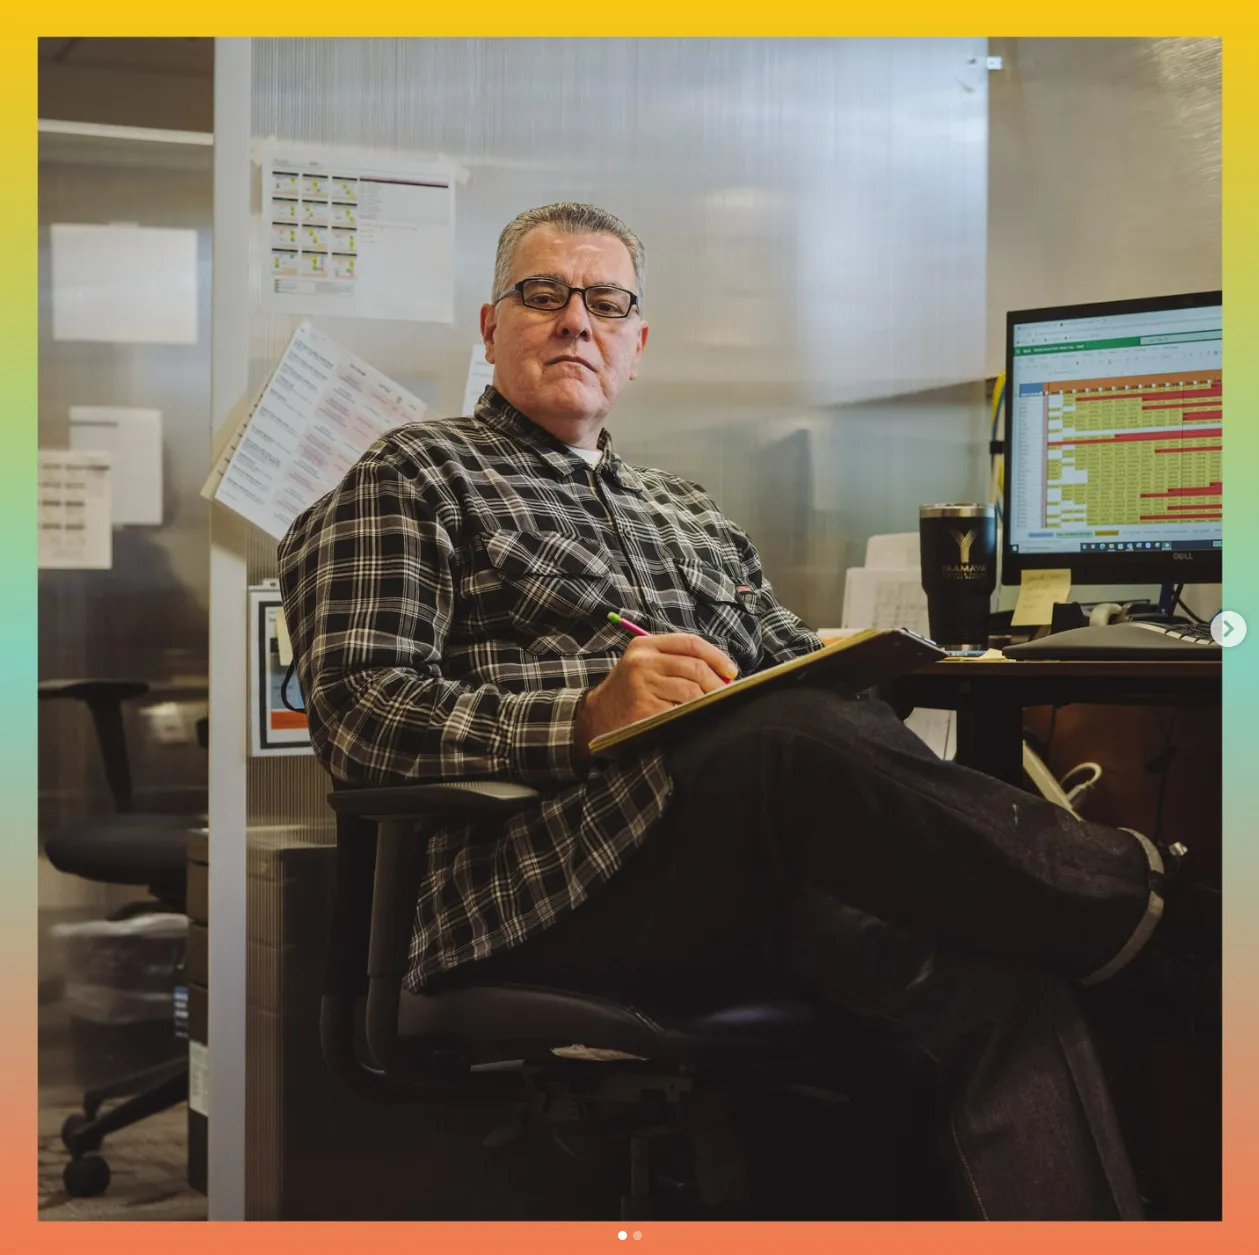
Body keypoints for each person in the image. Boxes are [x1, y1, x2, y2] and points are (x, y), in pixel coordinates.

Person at [278, 202, 1209, 1221]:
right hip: (540, 884)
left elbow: (792, 677)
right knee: (785, 740)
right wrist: (584, 714)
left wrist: (855, 672)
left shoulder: (689, 512)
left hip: (744, 867)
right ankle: (1170, 921)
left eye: (605, 302)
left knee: (1000, 987)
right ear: (491, 326)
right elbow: (362, 713)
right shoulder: (413, 475)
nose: (575, 319)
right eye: (543, 295)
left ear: (636, 343)